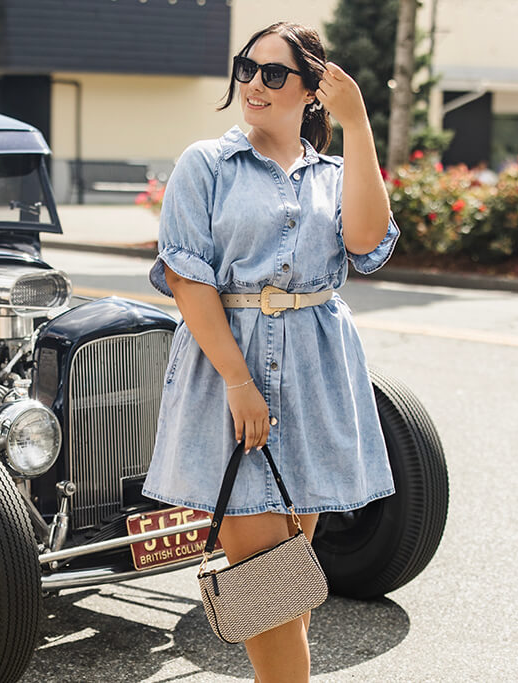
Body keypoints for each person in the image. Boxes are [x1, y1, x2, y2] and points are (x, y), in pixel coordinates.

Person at [143, 21, 399, 682]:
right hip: (235, 382)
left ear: (312, 91)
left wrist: (359, 126)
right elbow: (187, 278)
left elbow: (369, 240)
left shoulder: (332, 174)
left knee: (287, 594)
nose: (254, 84)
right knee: (270, 597)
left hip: (313, 385)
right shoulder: (206, 164)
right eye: (247, 68)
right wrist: (236, 379)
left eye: (274, 73)